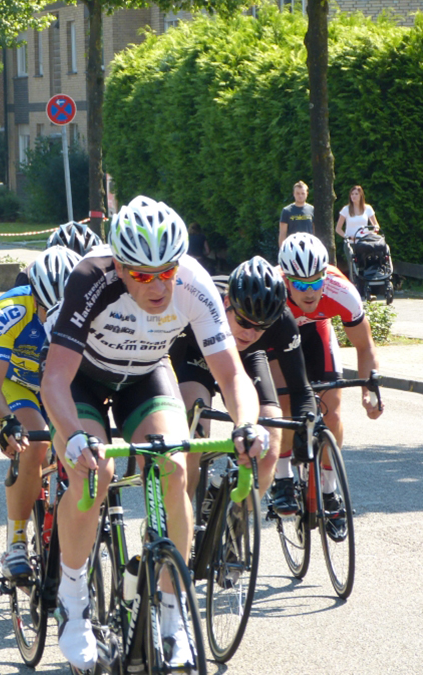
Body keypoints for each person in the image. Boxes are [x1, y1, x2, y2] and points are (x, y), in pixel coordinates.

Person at [40, 196, 267, 672]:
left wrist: (248, 423)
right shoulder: (90, 278)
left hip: (145, 374)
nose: (159, 284)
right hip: (83, 376)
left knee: (175, 467)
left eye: (166, 270)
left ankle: (173, 614)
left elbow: (232, 376)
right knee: (93, 473)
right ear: (120, 267)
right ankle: (73, 598)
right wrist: (74, 438)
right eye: (142, 274)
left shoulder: (193, 283)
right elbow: (55, 379)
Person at [170, 257, 316, 517]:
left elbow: (301, 388)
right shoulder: (203, 302)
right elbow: (167, 372)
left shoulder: (282, 321)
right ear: (227, 304)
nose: (250, 333)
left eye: (262, 328)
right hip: (197, 354)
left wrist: (307, 428)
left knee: (271, 440)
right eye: (245, 322)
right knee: (194, 434)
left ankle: (235, 521)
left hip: (248, 359)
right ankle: (181, 519)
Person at [0, 246, 81, 580]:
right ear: (33, 296)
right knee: (36, 444)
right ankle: (17, 540)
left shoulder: (89, 309)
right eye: (45, 309)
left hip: (63, 385)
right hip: (19, 386)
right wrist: (7, 421)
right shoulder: (10, 310)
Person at [272, 233, 383, 510]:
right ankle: (283, 477)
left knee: (331, 413)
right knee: (284, 405)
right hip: (278, 339)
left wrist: (369, 391)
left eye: (315, 282)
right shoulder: (271, 292)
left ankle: (330, 489)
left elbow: (364, 345)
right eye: (299, 284)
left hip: (317, 332)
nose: (309, 292)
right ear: (286, 280)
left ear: (325, 276)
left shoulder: (341, 291)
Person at [279, 180, 314, 246]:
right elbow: (282, 233)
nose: (300, 196)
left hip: (309, 246)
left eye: (302, 193)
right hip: (292, 247)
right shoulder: (287, 211)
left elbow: (315, 230)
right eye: (298, 193)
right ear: (293, 194)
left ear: (307, 194)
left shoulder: (312, 209)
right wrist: (282, 250)